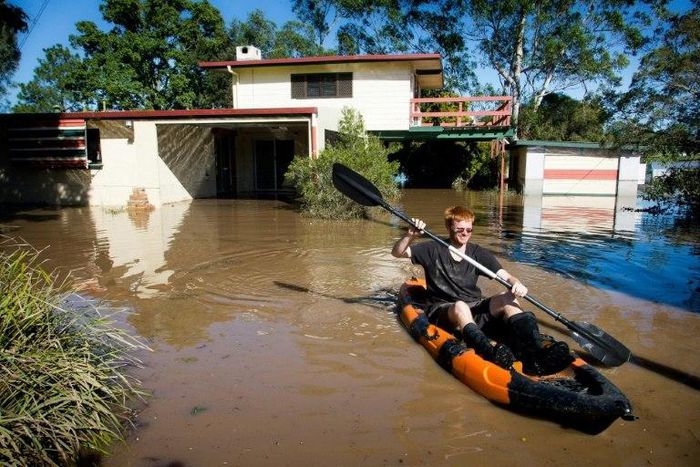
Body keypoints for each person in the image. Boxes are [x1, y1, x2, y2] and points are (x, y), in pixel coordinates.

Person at [391, 205, 573, 374]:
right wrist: (410, 235)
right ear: (449, 227)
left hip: (474, 307)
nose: (465, 234)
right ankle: (487, 352)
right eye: (460, 229)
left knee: (508, 297)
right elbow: (397, 253)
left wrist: (517, 283)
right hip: (444, 310)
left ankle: (534, 353)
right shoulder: (433, 248)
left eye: (469, 230)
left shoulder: (478, 253)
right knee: (461, 306)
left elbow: (507, 276)